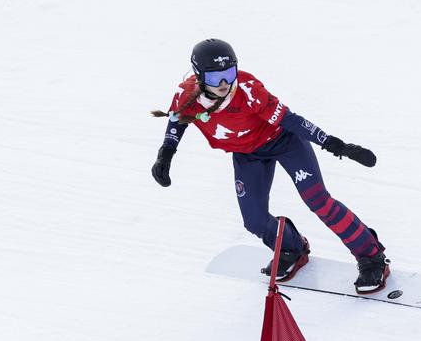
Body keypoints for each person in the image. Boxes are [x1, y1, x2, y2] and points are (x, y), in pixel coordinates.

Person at [150, 38, 389, 293]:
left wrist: (334, 144)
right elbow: (177, 119)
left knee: (319, 201)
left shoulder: (249, 91)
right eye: (214, 77)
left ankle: (372, 257)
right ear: (198, 76)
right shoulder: (186, 96)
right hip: (247, 154)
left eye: (229, 74)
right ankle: (292, 248)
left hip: (284, 143)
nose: (223, 84)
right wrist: (166, 152)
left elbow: (291, 120)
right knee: (254, 220)